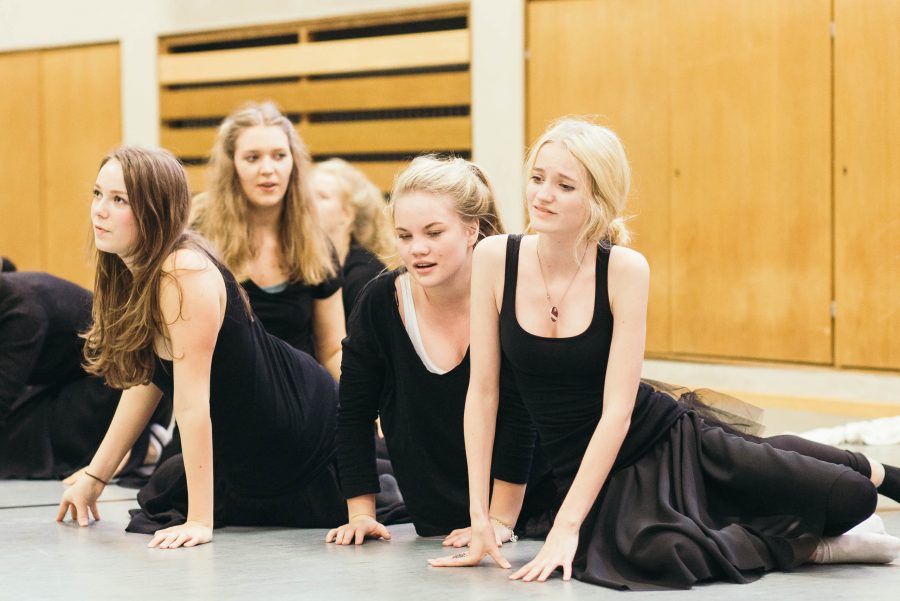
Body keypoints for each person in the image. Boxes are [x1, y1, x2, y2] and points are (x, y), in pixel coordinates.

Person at [429, 118, 900, 589]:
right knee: (658, 554)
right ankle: (814, 546)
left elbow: (617, 411)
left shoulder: (624, 270)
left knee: (852, 497)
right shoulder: (495, 258)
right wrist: (481, 518)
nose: (542, 195)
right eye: (537, 178)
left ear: (598, 198)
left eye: (564, 185)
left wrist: (567, 526)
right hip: (585, 469)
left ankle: (871, 468)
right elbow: (483, 394)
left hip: (660, 436)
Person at [56, 147, 345, 549]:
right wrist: (95, 477)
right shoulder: (132, 267)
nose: (99, 211)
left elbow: (192, 406)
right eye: (97, 194)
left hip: (300, 423)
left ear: (156, 210)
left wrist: (199, 520)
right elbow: (149, 377)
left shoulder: (183, 272)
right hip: (248, 430)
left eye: (119, 199)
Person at [327, 156, 557, 546]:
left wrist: (499, 521)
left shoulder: (512, 293)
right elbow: (354, 412)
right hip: (436, 512)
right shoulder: (381, 302)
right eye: (404, 236)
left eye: (434, 233)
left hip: (534, 500)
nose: (418, 249)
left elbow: (522, 416)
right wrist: (361, 512)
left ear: (472, 230)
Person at [191, 102, 344, 380]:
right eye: (253, 158)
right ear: (232, 167)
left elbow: (332, 350)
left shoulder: (316, 244)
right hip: (223, 404)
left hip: (301, 405)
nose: (268, 169)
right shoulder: (199, 239)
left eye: (279, 156)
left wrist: (366, 411)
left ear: (293, 164)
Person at [0, 271, 168, 480]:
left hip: (115, 380)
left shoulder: (23, 311)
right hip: (72, 376)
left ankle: (146, 449)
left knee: (22, 440)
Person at [311, 158, 394, 321]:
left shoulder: (366, 278)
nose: (306, 203)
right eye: (304, 195)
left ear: (347, 215)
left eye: (322, 196)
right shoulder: (303, 263)